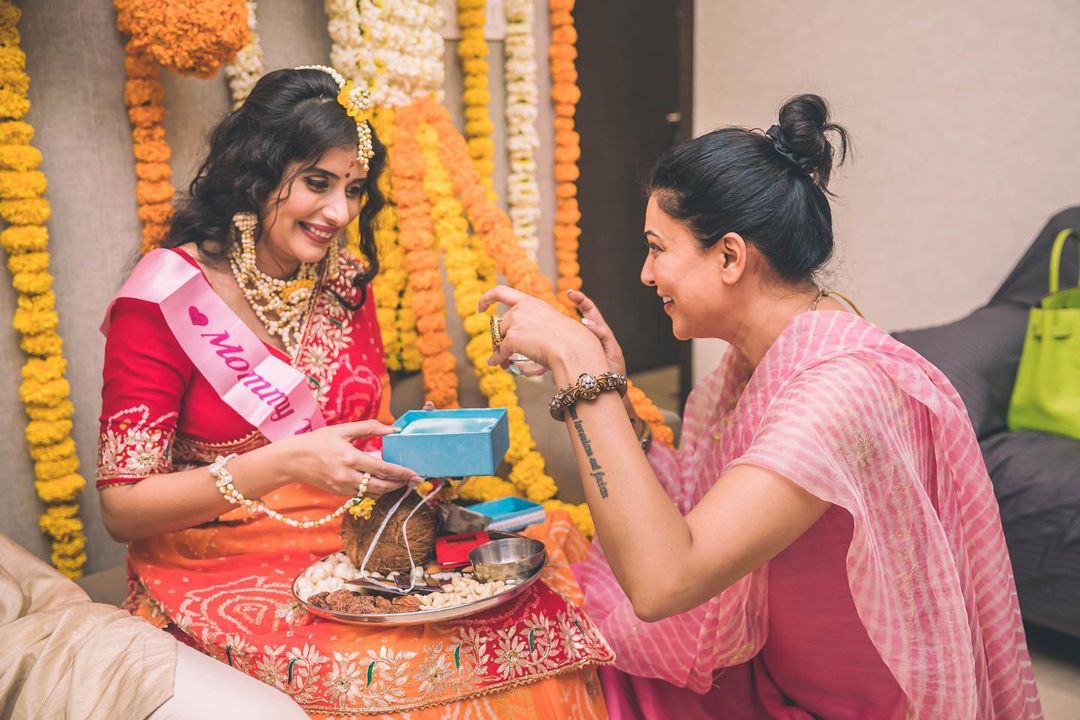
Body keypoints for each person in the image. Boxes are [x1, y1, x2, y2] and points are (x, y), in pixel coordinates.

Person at [480, 94, 1043, 718]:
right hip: (766, 670)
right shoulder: (755, 363)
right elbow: (697, 510)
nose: (646, 274)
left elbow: (664, 580)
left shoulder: (837, 393)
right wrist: (615, 400)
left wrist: (578, 365)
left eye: (657, 248)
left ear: (729, 256)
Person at [97, 66, 611, 718]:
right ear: (255, 171)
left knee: (530, 603)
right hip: (216, 560)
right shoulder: (163, 299)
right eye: (317, 183)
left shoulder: (345, 282)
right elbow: (123, 509)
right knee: (397, 674)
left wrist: (422, 456)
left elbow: (367, 428)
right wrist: (285, 462)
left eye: (355, 188)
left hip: (358, 538)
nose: (340, 213)